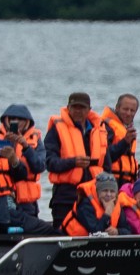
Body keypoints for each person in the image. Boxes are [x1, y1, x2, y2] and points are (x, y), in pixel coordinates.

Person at [44, 91, 103, 224]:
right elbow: (49, 163)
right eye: (74, 107)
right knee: (62, 235)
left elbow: (106, 164)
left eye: (82, 108)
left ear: (89, 110)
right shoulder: (56, 130)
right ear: (68, 108)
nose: (78, 111)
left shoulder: (98, 131)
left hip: (92, 196)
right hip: (65, 196)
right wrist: (73, 162)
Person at [0, 104, 50, 229]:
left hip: (27, 200)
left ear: (27, 122)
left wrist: (26, 146)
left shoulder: (35, 139)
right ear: (6, 120)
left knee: (31, 229)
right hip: (4, 197)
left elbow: (39, 166)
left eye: (20, 119)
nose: (15, 122)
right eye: (12, 119)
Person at [60, 172, 121, 237]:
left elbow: (127, 229)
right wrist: (107, 214)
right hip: (73, 241)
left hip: (101, 244)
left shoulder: (116, 204)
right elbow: (95, 232)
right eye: (105, 191)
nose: (108, 195)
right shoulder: (85, 204)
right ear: (98, 192)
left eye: (112, 191)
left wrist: (117, 231)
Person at [97, 94, 140, 184]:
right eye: (125, 109)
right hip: (111, 181)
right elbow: (104, 156)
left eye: (132, 111)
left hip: (127, 181)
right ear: (117, 108)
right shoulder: (106, 126)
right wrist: (125, 142)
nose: (128, 113)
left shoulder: (127, 129)